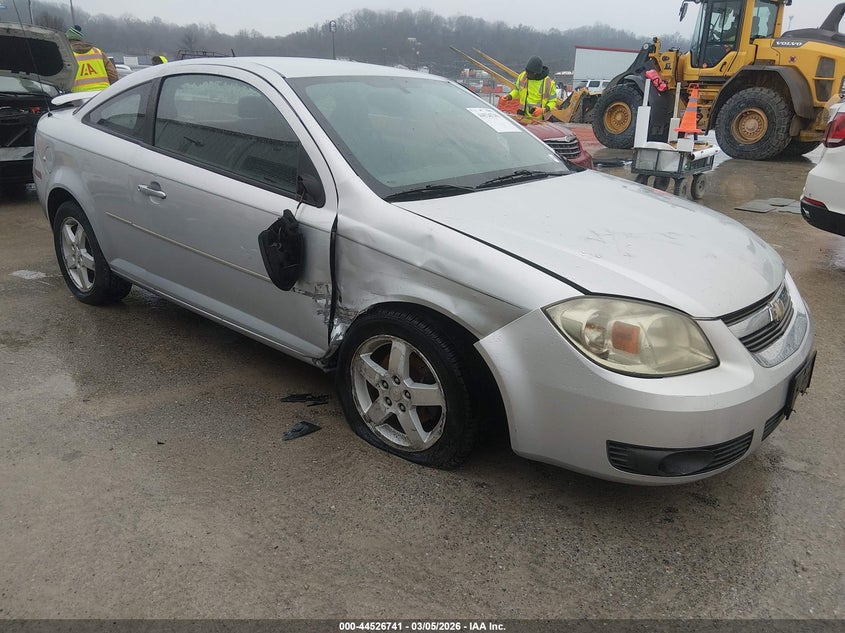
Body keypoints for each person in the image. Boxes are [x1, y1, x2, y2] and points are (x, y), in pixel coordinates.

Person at [66, 25, 118, 92]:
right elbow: (113, 75)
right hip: (102, 94)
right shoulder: (98, 52)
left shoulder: (68, 55)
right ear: (80, 40)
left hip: (78, 96)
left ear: (68, 41)